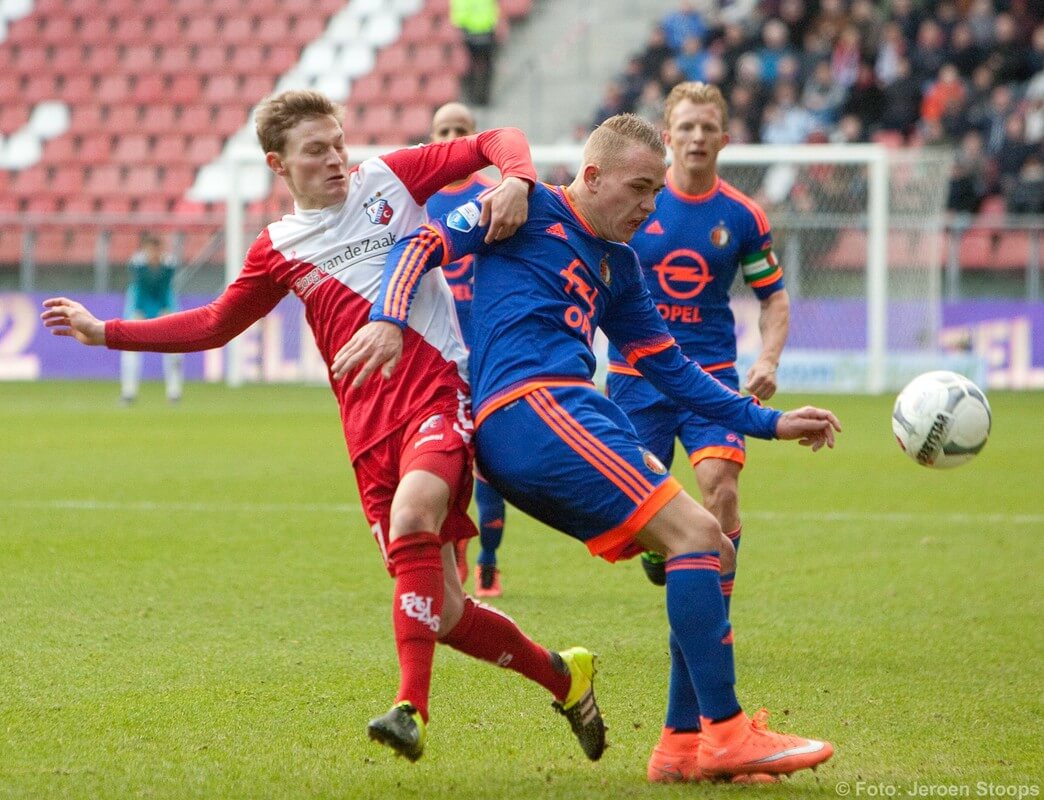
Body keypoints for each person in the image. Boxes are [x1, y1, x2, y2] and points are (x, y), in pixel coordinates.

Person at [40, 89, 605, 765]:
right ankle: (565, 677)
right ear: (280, 164)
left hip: (437, 396)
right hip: (367, 432)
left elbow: (498, 137)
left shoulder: (389, 179)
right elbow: (217, 322)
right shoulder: (279, 246)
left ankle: (409, 708)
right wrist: (107, 333)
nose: (337, 159)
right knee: (447, 613)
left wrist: (517, 180)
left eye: (339, 142)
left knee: (415, 513)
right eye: (317, 151)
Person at [334, 113, 839, 783]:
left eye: (657, 192)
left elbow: (675, 370)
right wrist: (391, 320)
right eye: (638, 188)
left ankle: (682, 746)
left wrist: (768, 422)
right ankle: (724, 732)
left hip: (563, 414)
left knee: (707, 545)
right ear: (592, 176)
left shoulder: (621, 267)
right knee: (698, 535)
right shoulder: (527, 206)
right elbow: (420, 245)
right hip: (532, 409)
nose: (650, 206)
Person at [609, 81, 790, 597]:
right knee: (638, 502)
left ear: (725, 139)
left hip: (709, 375)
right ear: (667, 136)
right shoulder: (637, 202)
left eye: (708, 127)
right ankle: (657, 543)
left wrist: (769, 361)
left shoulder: (742, 216)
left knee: (721, 488)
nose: (696, 136)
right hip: (635, 374)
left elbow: (773, 296)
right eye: (686, 126)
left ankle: (714, 617)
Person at [427, 102, 508, 597]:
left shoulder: (496, 195)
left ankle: (489, 558)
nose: (453, 135)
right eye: (444, 130)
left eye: (461, 130)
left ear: (473, 137)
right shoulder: (419, 200)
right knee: (445, 454)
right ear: (432, 138)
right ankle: (453, 546)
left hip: (489, 351)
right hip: (436, 350)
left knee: (490, 461)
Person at [120, 232, 182, 405]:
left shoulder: (168, 264)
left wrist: (167, 309)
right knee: (130, 347)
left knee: (175, 347)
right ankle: (128, 392)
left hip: (162, 303)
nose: (154, 253)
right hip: (141, 304)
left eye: (157, 249)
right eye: (151, 249)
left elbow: (165, 288)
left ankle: (174, 392)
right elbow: (139, 288)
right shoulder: (137, 264)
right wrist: (138, 310)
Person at [450, 0, 499, 106]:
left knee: (475, 66)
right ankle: (481, 97)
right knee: (484, 66)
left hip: (473, 33)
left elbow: (458, 15)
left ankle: (476, 97)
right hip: (485, 31)